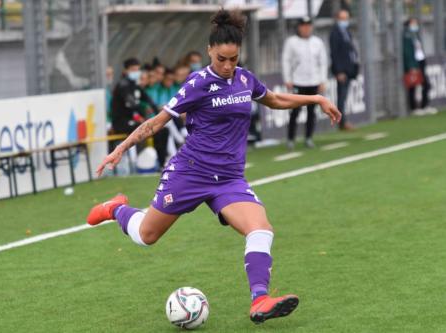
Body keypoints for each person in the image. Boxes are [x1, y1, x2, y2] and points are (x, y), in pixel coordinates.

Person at [87, 9, 341, 324]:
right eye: (222, 58)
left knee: (260, 229)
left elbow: (274, 99)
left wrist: (315, 98)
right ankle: (115, 209)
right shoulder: (197, 84)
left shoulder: (245, 79)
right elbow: (157, 122)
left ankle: (260, 300)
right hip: (191, 172)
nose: (227, 65)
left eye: (233, 59)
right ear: (210, 51)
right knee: (145, 235)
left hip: (229, 180)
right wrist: (120, 149)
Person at [282, 17, 328, 150]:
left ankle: (309, 137)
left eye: (308, 25)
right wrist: (288, 79)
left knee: (311, 111)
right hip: (298, 81)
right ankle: (291, 139)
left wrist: (322, 80)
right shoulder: (291, 42)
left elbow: (323, 62)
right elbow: (286, 61)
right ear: (299, 27)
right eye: (303, 25)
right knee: (295, 111)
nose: (306, 28)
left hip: (313, 81)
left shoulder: (317, 42)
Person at [329, 9, 359, 130]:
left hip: (349, 68)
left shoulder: (346, 31)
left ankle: (343, 120)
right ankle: (342, 121)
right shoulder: (335, 33)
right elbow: (334, 53)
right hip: (342, 70)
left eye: (346, 18)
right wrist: (339, 71)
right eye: (342, 18)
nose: (345, 21)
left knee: (345, 96)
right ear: (337, 19)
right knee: (341, 95)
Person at [403, 18, 437, 115]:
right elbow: (407, 52)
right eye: (413, 23)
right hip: (414, 64)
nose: (415, 24)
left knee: (425, 84)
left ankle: (424, 105)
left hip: (420, 61)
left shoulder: (415, 35)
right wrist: (411, 66)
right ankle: (414, 108)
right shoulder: (407, 35)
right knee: (412, 86)